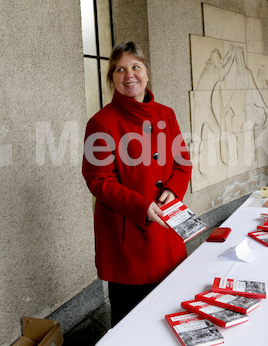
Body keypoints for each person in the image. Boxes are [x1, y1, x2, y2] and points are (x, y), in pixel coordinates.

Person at [81, 40, 192, 326]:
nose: (129, 75)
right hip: (128, 240)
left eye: (135, 67)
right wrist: (142, 206)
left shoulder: (166, 114)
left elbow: (182, 163)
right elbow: (98, 180)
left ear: (147, 72)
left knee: (170, 315)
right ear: (111, 78)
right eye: (119, 69)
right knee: (132, 323)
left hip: (166, 232)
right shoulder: (101, 123)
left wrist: (172, 189)